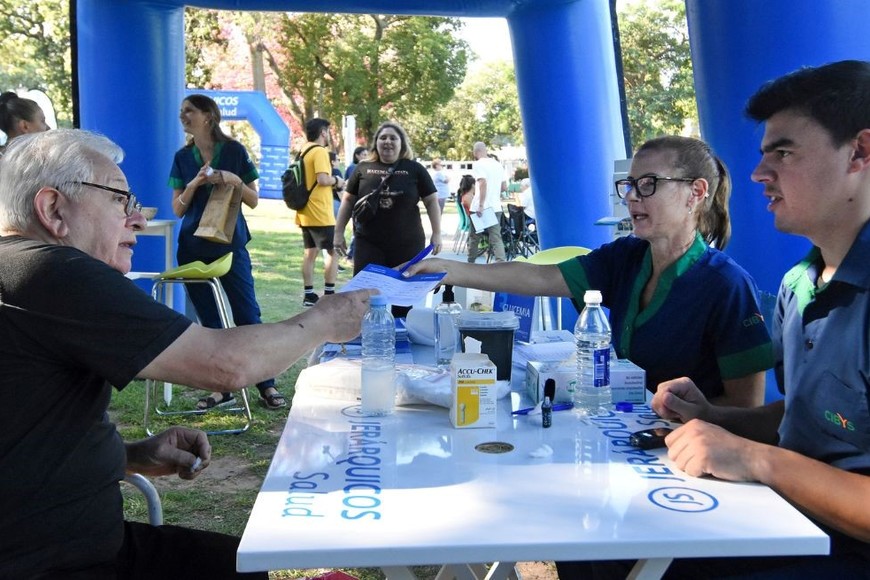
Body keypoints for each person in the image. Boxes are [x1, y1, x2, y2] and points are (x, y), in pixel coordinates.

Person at [0, 129, 373, 579]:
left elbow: (25, 433)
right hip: (54, 561)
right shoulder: (50, 271)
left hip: (62, 542)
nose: (136, 219)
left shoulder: (18, 269)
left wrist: (130, 455)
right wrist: (326, 320)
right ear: (53, 209)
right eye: (121, 200)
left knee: (244, 567)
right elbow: (225, 365)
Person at [624, 59, 870, 579]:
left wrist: (753, 458)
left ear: (861, 151)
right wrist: (714, 418)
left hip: (845, 547)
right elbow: (807, 419)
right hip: (787, 517)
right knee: (611, 544)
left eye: (784, 152)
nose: (759, 173)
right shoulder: (798, 284)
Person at [406, 135, 772, 407]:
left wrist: (685, 413)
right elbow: (539, 278)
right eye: (629, 185)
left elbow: (746, 408)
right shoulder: (627, 256)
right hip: (628, 434)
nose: (630, 197)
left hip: (688, 463)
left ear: (696, 192)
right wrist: (446, 269)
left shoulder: (726, 284)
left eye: (648, 185)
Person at [169, 94, 286, 410]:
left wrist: (233, 180)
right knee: (209, 322)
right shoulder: (182, 157)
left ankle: (266, 385)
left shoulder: (234, 151)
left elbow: (254, 200)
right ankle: (222, 388)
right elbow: (178, 209)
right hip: (192, 247)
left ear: (208, 116)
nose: (183, 116)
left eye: (189, 111)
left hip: (230, 245)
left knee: (247, 314)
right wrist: (194, 184)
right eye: (181, 112)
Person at [334, 120, 442, 317]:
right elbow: (348, 201)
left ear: (402, 143)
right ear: (376, 143)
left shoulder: (415, 169)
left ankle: (400, 338)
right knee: (365, 297)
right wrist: (338, 233)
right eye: (383, 137)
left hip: (407, 244)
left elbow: (432, 201)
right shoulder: (362, 168)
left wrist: (437, 233)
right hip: (369, 243)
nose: (388, 142)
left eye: (393, 138)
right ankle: (367, 336)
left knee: (402, 300)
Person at [295, 118, 345, 308]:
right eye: (328, 131)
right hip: (319, 211)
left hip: (305, 210)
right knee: (332, 251)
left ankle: (309, 294)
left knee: (310, 252)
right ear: (323, 132)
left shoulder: (303, 150)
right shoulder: (320, 151)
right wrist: (337, 181)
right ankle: (330, 293)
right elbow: (323, 179)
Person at [468, 141, 507, 262]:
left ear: (475, 152)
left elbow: (482, 183)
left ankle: (470, 263)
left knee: (475, 237)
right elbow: (504, 187)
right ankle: (501, 263)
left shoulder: (478, 164)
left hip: (480, 207)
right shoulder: (498, 164)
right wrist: (493, 193)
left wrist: (480, 204)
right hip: (495, 207)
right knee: (496, 238)